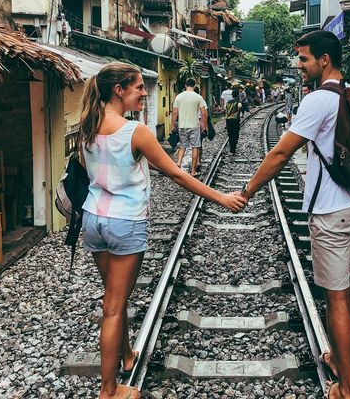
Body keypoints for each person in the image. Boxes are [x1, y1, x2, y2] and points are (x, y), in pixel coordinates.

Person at [79, 63, 246, 399]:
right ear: (119, 90)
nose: (144, 92)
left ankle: (126, 356)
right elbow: (178, 175)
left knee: (114, 298)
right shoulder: (135, 131)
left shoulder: (86, 126)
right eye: (139, 86)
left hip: (93, 220)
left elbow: (93, 167)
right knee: (113, 305)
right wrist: (221, 198)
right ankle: (109, 391)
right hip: (125, 223)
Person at [239, 30, 350, 399]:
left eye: (303, 59)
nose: (298, 66)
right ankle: (338, 354)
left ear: (324, 61)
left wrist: (248, 190)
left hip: (333, 212)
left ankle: (345, 388)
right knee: (346, 286)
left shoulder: (318, 100)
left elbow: (282, 153)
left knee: (334, 296)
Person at [172, 78, 207, 177]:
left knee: (182, 145)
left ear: (185, 85)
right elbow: (204, 113)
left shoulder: (179, 97)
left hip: (182, 126)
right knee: (195, 147)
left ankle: (178, 162)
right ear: (194, 85)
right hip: (194, 126)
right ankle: (192, 171)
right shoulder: (198, 97)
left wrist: (173, 125)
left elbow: (175, 113)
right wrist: (205, 126)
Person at [194, 86, 208, 174]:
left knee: (193, 145)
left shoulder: (189, 100)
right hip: (199, 123)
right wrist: (205, 127)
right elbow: (204, 114)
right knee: (199, 144)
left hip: (191, 124)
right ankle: (199, 161)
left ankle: (194, 163)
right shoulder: (201, 100)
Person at [225, 87, 242, 155]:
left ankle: (231, 149)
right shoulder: (238, 101)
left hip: (228, 120)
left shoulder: (228, 102)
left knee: (230, 134)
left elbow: (225, 110)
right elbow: (240, 106)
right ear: (237, 95)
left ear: (232, 95)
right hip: (235, 120)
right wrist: (238, 112)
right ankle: (233, 149)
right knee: (235, 135)